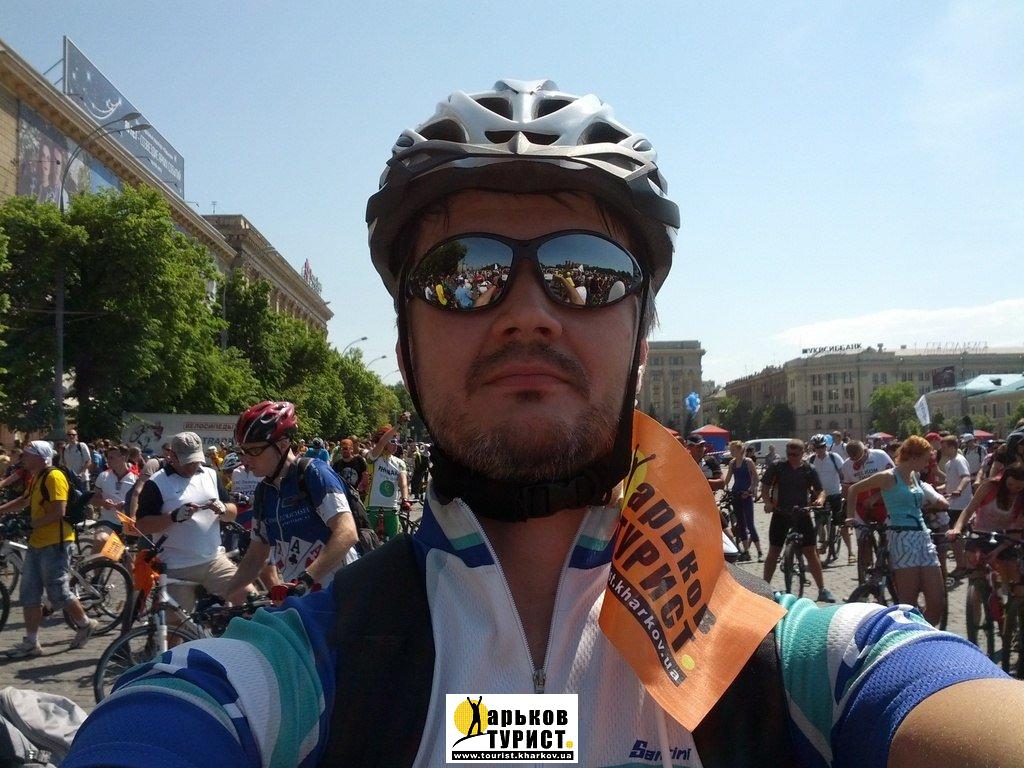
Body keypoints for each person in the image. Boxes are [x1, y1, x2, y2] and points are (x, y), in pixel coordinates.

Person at [65, 78, 1021, 768]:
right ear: (404, 347)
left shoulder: (804, 668)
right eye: (463, 274)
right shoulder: (293, 676)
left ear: (640, 338)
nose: (528, 312)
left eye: (586, 273)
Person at [224, 402, 358, 597]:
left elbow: (347, 532)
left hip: (342, 591)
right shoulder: (263, 492)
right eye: (243, 451)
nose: (245, 459)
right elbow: (256, 555)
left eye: (254, 450)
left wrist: (307, 579)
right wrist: (223, 594)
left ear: (282, 444)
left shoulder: (313, 473)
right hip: (304, 597)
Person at [133, 432, 247, 619]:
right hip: (176, 567)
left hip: (213, 560)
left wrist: (223, 509)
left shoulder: (210, 474)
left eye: (196, 460)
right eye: (187, 461)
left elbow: (232, 512)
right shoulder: (157, 483)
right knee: (176, 628)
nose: (193, 466)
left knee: (249, 599)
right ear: (172, 456)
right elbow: (142, 526)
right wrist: (172, 517)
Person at [0, 441, 98, 657]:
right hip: (37, 542)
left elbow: (59, 511)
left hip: (56, 543)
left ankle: (85, 623)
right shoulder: (37, 477)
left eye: (28, 455)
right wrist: (2, 510)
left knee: (58, 592)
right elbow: (25, 500)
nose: (23, 458)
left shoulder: (54, 477)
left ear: (40, 457)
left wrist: (32, 524)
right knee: (29, 593)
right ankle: (31, 642)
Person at [847, 436, 945, 626]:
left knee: (936, 601)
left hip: (923, 535)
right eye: (925, 459)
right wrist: (850, 517)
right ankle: (908, 636)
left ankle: (924, 633)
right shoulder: (888, 476)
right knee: (908, 604)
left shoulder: (915, 476)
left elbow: (921, 500)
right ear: (914, 457)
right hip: (901, 537)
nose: (927, 464)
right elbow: (854, 490)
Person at [760, 439, 835, 602]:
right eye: (789, 454)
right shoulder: (777, 467)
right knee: (774, 551)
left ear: (803, 453)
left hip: (802, 513)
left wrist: (820, 500)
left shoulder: (809, 469)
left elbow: (820, 490)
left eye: (795, 454)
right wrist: (767, 502)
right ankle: (764, 588)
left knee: (810, 551)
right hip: (780, 513)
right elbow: (765, 487)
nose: (792, 457)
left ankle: (822, 589)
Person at [947, 464, 1024, 585]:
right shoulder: (989, 487)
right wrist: (957, 528)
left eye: (1019, 487)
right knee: (974, 570)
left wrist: (997, 551)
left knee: (1014, 578)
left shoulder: (1021, 500)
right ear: (1004, 479)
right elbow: (969, 509)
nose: (1013, 489)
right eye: (1010, 484)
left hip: (1005, 540)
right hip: (980, 534)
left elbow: (1017, 532)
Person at [841, 439, 896, 578]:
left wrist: (876, 497)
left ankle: (893, 574)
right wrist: (849, 516)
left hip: (884, 504)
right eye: (854, 460)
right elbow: (849, 492)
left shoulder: (880, 456)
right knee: (863, 543)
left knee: (889, 542)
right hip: (861, 508)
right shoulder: (847, 465)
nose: (857, 462)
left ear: (865, 450)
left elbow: (894, 480)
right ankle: (867, 577)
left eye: (860, 459)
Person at [807, 434, 854, 564]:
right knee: (818, 522)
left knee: (841, 524)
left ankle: (850, 552)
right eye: (817, 447)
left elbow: (842, 474)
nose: (820, 449)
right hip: (818, 496)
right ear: (814, 448)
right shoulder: (811, 460)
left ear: (826, 446)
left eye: (822, 446)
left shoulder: (834, 457)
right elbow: (807, 478)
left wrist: (845, 490)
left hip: (835, 494)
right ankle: (823, 542)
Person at [364, 421, 411, 540]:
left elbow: (403, 482)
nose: (396, 444)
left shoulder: (399, 462)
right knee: (367, 543)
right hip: (372, 508)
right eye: (393, 441)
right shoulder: (373, 457)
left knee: (396, 542)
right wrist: (398, 425)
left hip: (391, 508)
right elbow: (381, 443)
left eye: (398, 441)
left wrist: (405, 499)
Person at [89, 443, 137, 548]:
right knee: (101, 539)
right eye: (107, 457)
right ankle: (93, 560)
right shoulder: (103, 476)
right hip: (108, 521)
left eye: (111, 457)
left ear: (123, 458)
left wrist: (126, 506)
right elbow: (93, 499)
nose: (108, 460)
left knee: (127, 556)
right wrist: (103, 503)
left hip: (128, 524)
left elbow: (142, 502)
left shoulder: (136, 478)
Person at [722, 439, 762, 562]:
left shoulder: (748, 462)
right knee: (741, 524)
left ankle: (759, 552)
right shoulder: (732, 463)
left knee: (750, 524)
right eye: (730, 449)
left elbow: (756, 478)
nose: (731, 452)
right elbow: (727, 479)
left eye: (733, 450)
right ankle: (746, 551)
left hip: (746, 495)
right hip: (736, 495)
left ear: (740, 450)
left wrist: (750, 491)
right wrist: (720, 486)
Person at [940, 435, 974, 578]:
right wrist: (936, 489)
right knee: (956, 538)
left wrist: (959, 490)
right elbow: (948, 484)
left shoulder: (959, 460)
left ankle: (963, 566)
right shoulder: (949, 463)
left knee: (956, 538)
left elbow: (966, 477)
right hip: (952, 505)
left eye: (944, 447)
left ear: (952, 447)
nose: (942, 450)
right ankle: (964, 564)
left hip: (961, 505)